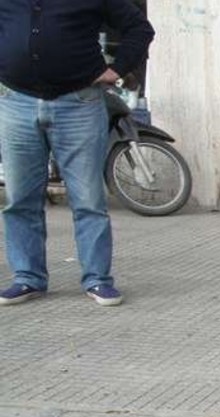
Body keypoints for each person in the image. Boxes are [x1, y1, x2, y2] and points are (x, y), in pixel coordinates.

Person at [0, 0, 154, 307]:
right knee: (20, 200)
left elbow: (140, 28)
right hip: (17, 103)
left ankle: (98, 279)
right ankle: (27, 277)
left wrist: (117, 69)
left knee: (88, 199)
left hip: (80, 104)